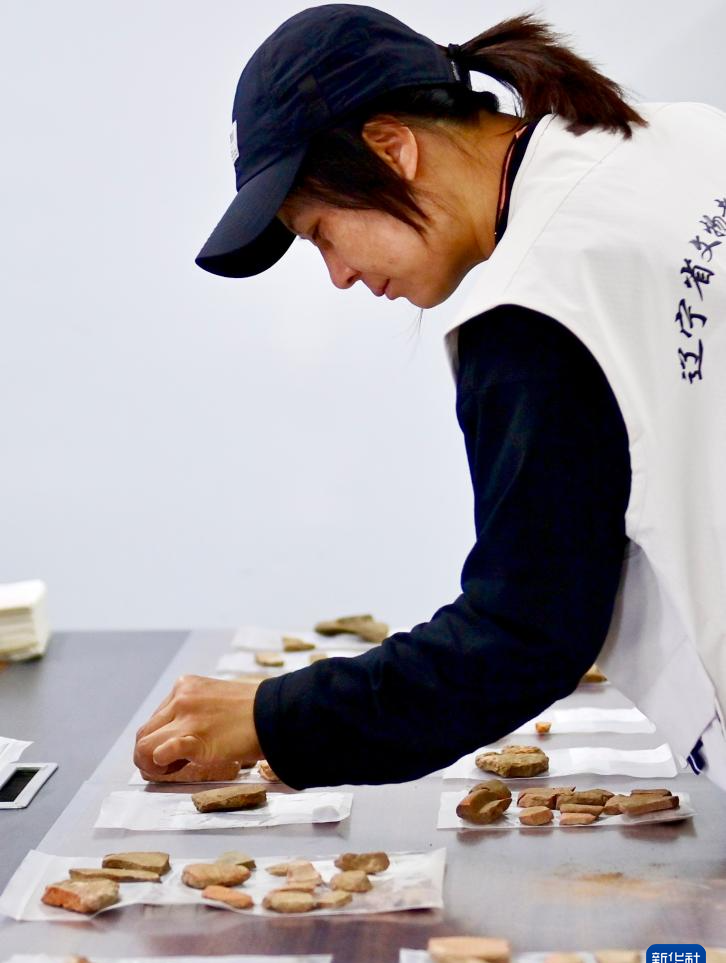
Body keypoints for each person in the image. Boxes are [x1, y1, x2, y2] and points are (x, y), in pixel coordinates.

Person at [134, 4, 726, 791]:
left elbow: (523, 635)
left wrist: (270, 716)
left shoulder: (534, 308)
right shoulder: (687, 138)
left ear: (392, 148)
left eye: (319, 232)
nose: (338, 274)